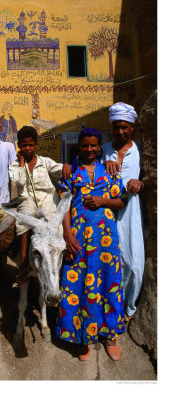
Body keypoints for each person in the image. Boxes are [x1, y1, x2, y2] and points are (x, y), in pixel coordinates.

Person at [56, 127, 127, 361]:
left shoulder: (109, 169)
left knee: (109, 282)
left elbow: (121, 201)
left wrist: (102, 200)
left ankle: (109, 335)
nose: (89, 149)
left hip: (106, 239)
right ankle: (80, 336)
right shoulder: (70, 171)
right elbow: (64, 205)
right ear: (79, 146)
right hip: (78, 239)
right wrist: (67, 235)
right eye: (85, 145)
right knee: (76, 285)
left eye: (93, 145)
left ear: (99, 146)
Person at [101, 102, 145, 322]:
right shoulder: (104, 150)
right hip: (106, 209)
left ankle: (128, 307)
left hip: (131, 211)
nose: (120, 131)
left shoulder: (139, 150)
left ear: (132, 127)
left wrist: (141, 183)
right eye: (116, 127)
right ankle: (110, 307)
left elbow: (151, 177)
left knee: (133, 261)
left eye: (124, 127)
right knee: (110, 258)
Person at [9, 126, 71, 275]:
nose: (28, 148)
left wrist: (67, 166)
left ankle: (60, 259)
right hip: (27, 199)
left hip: (47, 200)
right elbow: (20, 182)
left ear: (36, 145)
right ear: (19, 146)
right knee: (23, 219)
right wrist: (22, 163)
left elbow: (60, 169)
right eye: (24, 145)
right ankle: (24, 258)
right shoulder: (14, 166)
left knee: (56, 226)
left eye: (30, 145)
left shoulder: (45, 162)